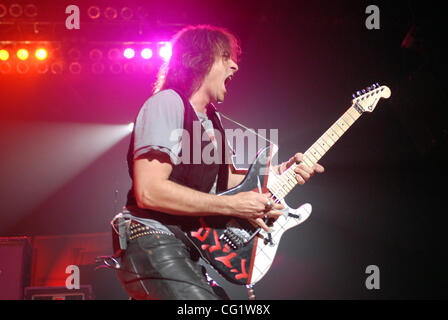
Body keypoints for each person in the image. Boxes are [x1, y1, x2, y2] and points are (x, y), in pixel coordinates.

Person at [114, 25, 324, 300]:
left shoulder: (212, 121)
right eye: (225, 56)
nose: (235, 65)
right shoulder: (166, 103)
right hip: (150, 238)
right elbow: (149, 192)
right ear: (198, 59)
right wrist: (232, 205)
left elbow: (226, 183)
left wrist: (281, 172)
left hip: (186, 247)